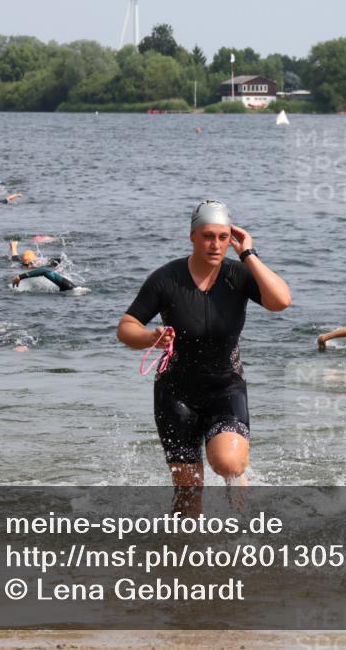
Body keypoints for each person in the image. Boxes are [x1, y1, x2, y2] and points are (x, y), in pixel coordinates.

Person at [116, 200, 292, 489]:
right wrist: (150, 338)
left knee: (229, 464)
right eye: (208, 236)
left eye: (223, 237)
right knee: (188, 494)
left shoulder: (238, 275)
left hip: (226, 387)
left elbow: (281, 301)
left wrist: (247, 253)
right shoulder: (166, 279)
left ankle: (241, 508)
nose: (215, 245)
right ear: (192, 237)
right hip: (175, 393)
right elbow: (126, 327)